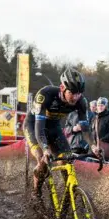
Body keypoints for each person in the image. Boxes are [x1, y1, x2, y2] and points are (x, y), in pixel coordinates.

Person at [24, 68, 89, 200]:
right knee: (43, 158)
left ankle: (69, 196)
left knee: (67, 159)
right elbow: (39, 128)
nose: (76, 97)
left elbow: (85, 129)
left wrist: (93, 146)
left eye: (79, 94)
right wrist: (46, 148)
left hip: (54, 128)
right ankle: (36, 192)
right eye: (72, 93)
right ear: (62, 88)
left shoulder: (81, 101)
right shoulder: (45, 94)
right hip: (34, 126)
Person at [89, 97, 109, 163]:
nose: (100, 107)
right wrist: (92, 142)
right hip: (95, 147)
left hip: (106, 146)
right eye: (98, 105)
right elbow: (91, 131)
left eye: (102, 105)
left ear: (105, 106)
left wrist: (103, 141)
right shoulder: (94, 118)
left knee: (106, 165)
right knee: (94, 165)